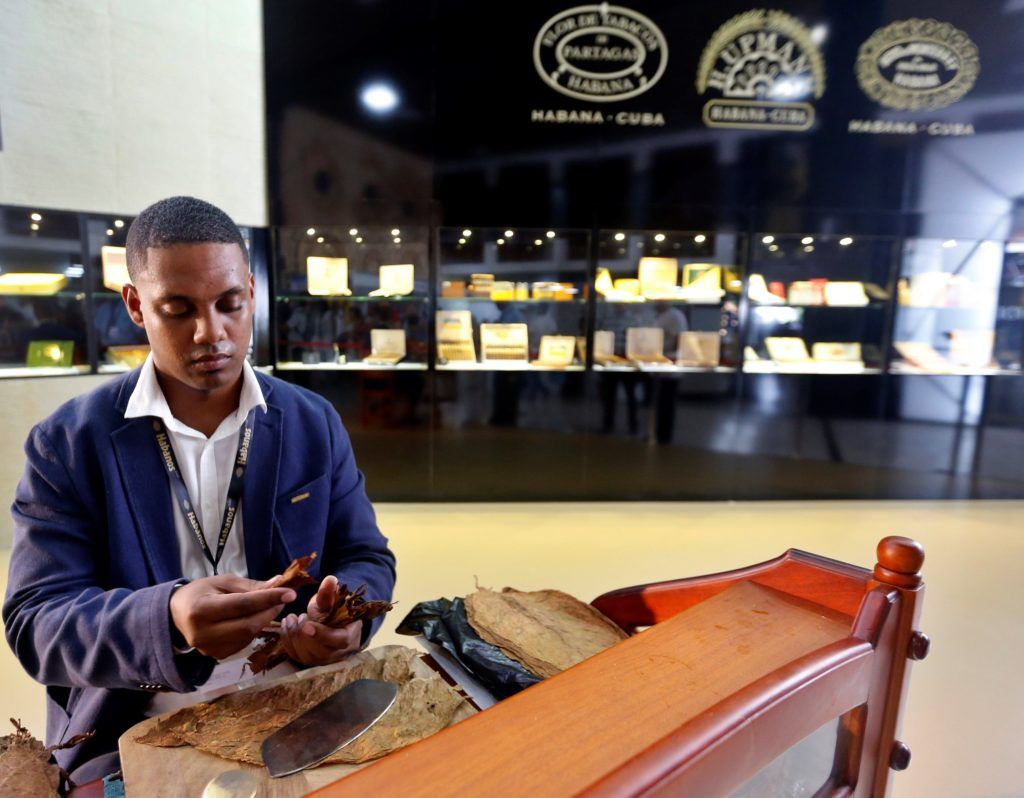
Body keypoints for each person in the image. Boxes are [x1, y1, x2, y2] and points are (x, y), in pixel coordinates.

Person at [2, 197, 396, 783]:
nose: (211, 332)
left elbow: (366, 556)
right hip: (137, 727)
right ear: (136, 305)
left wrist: (344, 622)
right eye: (178, 309)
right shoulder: (68, 442)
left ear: (252, 292)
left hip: (302, 705)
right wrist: (165, 619)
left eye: (229, 304)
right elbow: (37, 623)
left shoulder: (312, 421)